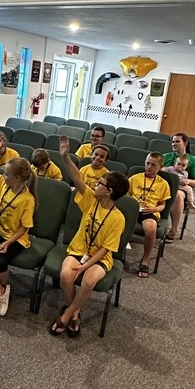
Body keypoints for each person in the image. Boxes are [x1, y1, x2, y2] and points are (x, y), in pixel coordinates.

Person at [50, 135, 129, 337]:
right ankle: (75, 313)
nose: (96, 184)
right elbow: (77, 178)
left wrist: (84, 267)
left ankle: (67, 314)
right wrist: (65, 156)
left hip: (100, 257)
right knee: (65, 276)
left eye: (100, 183)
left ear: (109, 191)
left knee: (88, 280)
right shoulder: (91, 200)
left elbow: (105, 249)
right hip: (78, 249)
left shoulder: (118, 218)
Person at [0, 135, 38, 317]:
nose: (3, 176)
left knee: (1, 262)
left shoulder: (27, 199)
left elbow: (24, 228)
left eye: (6, 174)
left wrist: (8, 242)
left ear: (18, 178)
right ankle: (0, 290)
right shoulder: (3, 185)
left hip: (16, 237)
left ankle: (3, 287)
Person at [128, 152, 171, 278]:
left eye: (153, 165)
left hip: (149, 211)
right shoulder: (135, 178)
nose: (149, 167)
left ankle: (145, 259)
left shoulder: (163, 184)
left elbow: (162, 205)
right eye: (147, 163)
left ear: (160, 167)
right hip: (133, 209)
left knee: (151, 229)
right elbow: (126, 196)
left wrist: (154, 209)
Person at [163, 133, 195, 242]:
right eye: (172, 142)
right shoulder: (165, 156)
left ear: (185, 143)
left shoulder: (193, 160)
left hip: (180, 188)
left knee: (178, 195)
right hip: (163, 186)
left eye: (177, 141)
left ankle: (174, 230)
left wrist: (188, 181)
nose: (173, 144)